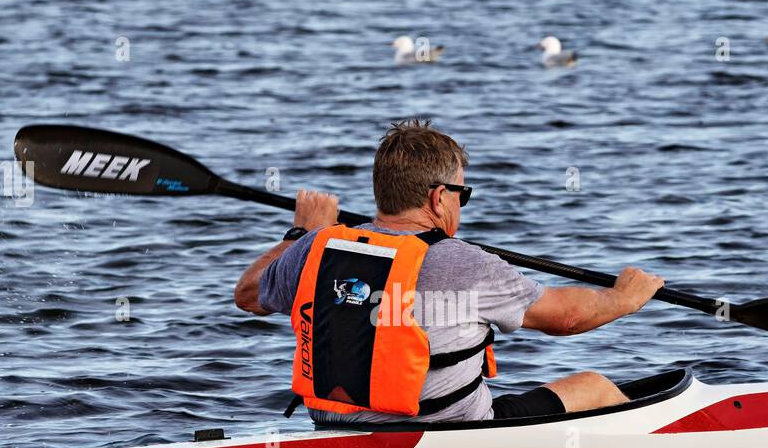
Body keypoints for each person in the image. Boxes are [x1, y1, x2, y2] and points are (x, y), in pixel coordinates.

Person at [234, 118, 665, 424]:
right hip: (449, 430)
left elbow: (248, 295)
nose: (460, 203)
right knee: (591, 385)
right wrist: (623, 299)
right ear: (439, 197)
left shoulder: (316, 247)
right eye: (463, 193)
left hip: (342, 428)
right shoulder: (465, 262)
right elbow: (564, 317)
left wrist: (301, 232)